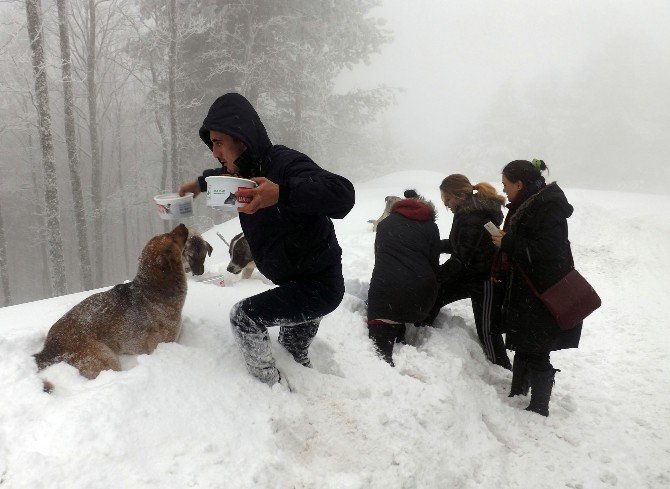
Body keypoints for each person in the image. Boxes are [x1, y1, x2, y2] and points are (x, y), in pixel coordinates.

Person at [178, 93, 355, 386]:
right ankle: (311, 390)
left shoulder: (285, 164)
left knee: (244, 318)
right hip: (294, 283)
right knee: (291, 348)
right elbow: (221, 177)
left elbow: (343, 195)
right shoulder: (242, 173)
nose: (214, 151)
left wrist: (282, 193)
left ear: (241, 138)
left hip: (318, 286)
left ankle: (268, 391)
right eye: (211, 143)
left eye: (219, 142)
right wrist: (198, 185)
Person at [491, 159, 582, 416]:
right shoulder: (528, 204)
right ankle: (518, 391)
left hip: (542, 291)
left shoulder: (547, 208)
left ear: (520, 184)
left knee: (538, 348)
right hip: (526, 289)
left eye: (506, 185)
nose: (503, 190)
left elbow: (547, 251)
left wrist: (508, 242)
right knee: (523, 342)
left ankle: (539, 407)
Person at [424, 174, 511, 370]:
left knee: (488, 329)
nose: (446, 203)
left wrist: (435, 276)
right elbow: (461, 246)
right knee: (437, 294)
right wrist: (432, 245)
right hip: (470, 274)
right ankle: (421, 332)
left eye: (447, 198)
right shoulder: (467, 212)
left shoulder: (474, 216)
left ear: (460, 195)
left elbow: (461, 257)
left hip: (485, 279)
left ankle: (501, 369)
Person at [366, 189, 440, 366]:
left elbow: (380, 259)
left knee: (379, 351)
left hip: (385, 296)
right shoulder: (431, 226)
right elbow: (433, 264)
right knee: (402, 303)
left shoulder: (385, 224)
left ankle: (385, 357)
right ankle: (402, 331)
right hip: (421, 300)